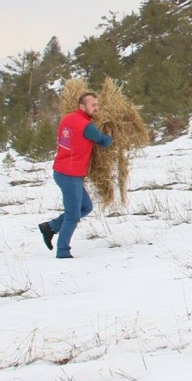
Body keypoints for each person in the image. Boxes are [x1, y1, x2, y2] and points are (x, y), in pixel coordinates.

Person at [39, 92, 112, 259]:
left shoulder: (67, 119)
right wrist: (109, 135)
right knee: (73, 215)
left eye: (97, 104)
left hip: (63, 171)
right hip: (69, 175)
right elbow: (104, 142)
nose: (96, 108)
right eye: (93, 105)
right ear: (82, 106)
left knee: (86, 207)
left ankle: (50, 227)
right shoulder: (87, 126)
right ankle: (63, 252)